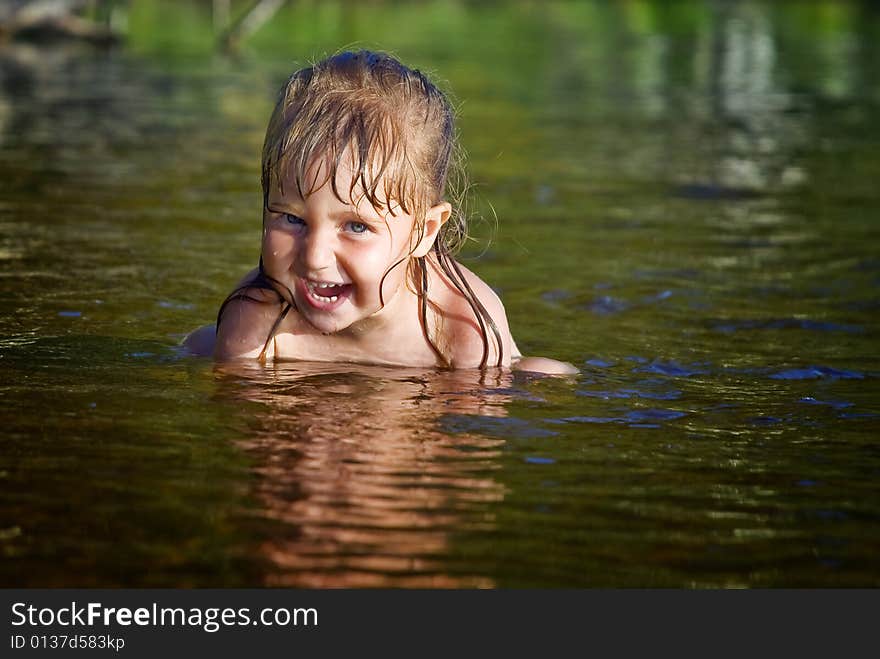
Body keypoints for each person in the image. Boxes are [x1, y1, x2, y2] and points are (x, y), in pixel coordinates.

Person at [185, 50, 576, 375]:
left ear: (422, 233)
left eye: (355, 226)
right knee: (198, 346)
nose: (315, 258)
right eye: (292, 219)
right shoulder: (257, 322)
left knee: (536, 373)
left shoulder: (459, 333)